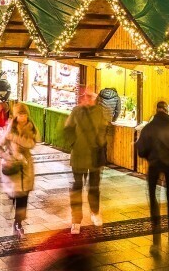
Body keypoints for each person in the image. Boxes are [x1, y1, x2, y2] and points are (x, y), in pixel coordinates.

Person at [136, 101, 169, 249]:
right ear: (166, 110)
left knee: (153, 197)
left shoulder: (148, 127)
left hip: (154, 165)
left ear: (156, 110)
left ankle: (156, 228)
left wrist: (149, 156)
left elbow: (140, 150)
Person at [64, 90, 109, 234]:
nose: (87, 99)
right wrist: (74, 143)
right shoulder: (76, 111)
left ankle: (95, 213)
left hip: (95, 156)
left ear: (95, 98)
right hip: (78, 155)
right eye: (86, 96)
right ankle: (76, 220)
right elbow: (68, 128)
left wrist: (100, 142)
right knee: (77, 188)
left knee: (94, 187)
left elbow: (105, 128)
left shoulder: (100, 112)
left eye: (91, 96)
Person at [0, 102, 38, 238]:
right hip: (13, 168)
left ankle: (18, 223)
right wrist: (7, 156)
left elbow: (31, 143)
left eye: (25, 114)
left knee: (23, 197)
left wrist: (16, 139)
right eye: (20, 114)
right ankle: (17, 220)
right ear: (15, 116)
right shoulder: (9, 131)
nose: (23, 117)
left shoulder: (31, 129)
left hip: (25, 168)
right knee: (15, 195)